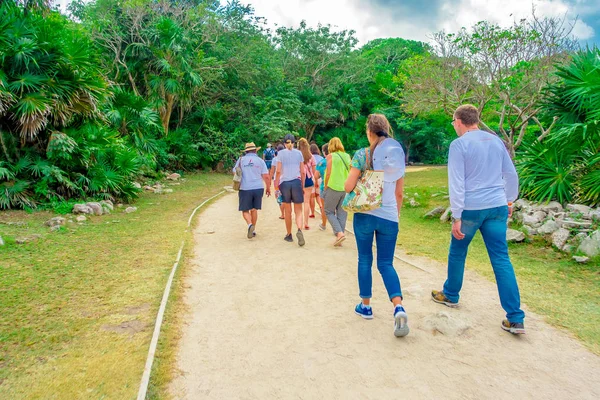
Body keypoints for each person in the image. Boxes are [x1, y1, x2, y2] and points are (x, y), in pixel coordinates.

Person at [431, 104, 525, 335]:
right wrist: (509, 200)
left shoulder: (459, 145)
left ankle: (451, 294)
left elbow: (457, 182)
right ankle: (515, 317)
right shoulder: (495, 141)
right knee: (501, 259)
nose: (453, 126)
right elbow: (510, 174)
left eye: (453, 122)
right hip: (497, 206)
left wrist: (457, 215)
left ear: (459, 121)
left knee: (458, 251)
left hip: (472, 208)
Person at [345, 113, 408, 337]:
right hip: (390, 216)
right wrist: (395, 216)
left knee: (365, 259)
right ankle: (398, 307)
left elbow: (348, 185)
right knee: (386, 263)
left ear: (369, 132)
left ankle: (366, 306)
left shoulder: (363, 154)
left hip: (365, 214)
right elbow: (399, 193)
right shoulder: (397, 158)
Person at [233, 142, 271, 238]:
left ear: (246, 151)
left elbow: (235, 171)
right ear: (255, 151)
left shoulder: (241, 160)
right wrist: (268, 188)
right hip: (258, 188)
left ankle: (250, 225)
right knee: (254, 209)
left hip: (245, 188)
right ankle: (253, 230)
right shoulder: (260, 161)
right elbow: (266, 176)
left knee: (245, 210)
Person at [274, 134, 306, 246]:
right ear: (294, 143)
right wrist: (302, 185)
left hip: (284, 183)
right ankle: (299, 230)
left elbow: (278, 171)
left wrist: (276, 185)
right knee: (299, 210)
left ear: (284, 144)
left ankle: (289, 234)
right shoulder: (299, 153)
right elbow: (303, 171)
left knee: (288, 211)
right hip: (296, 182)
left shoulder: (280, 154)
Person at [323, 137, 351, 246]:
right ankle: (340, 236)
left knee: (328, 211)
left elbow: (328, 173)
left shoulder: (330, 156)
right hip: (345, 188)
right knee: (342, 213)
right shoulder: (347, 156)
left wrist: (325, 186)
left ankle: (339, 234)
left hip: (333, 186)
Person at [298, 138, 317, 230]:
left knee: (298, 203)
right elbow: (314, 172)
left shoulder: (297, 156)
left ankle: (299, 221)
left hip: (298, 180)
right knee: (306, 202)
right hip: (308, 180)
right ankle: (306, 222)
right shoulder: (311, 157)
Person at [314, 144, 329, 230]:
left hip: (324, 186)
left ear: (324, 152)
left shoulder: (322, 162)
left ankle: (324, 224)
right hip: (336, 186)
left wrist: (320, 175)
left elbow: (316, 175)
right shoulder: (335, 161)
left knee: (324, 207)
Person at [270, 144, 285, 219]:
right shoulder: (287, 157)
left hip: (277, 179)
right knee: (286, 196)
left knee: (279, 197)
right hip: (285, 179)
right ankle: (287, 212)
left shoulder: (275, 159)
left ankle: (283, 214)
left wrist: (270, 179)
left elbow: (272, 171)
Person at [310, 144, 323, 218]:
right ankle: (321, 206)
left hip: (311, 178)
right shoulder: (321, 158)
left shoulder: (309, 158)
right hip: (320, 178)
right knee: (318, 195)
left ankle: (312, 212)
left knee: (311, 197)